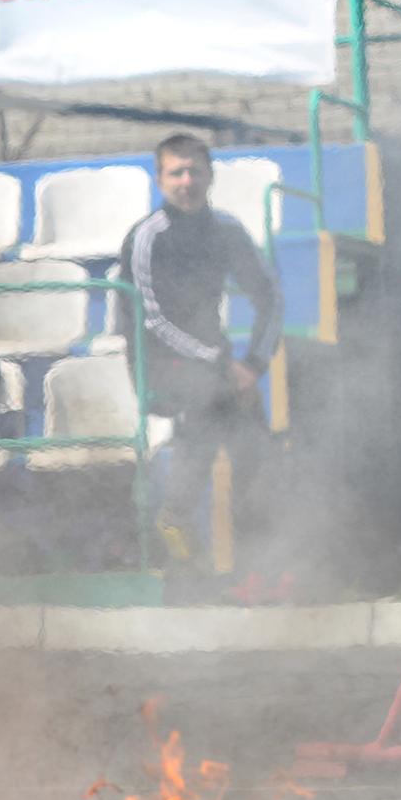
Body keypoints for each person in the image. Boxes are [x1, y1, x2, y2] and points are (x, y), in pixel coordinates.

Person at [117, 133, 283, 567]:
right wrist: (223, 364)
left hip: (220, 365)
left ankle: (255, 562)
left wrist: (254, 364)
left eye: (195, 171)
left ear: (210, 176)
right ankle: (177, 532)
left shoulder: (226, 229)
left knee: (255, 445)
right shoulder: (146, 236)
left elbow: (270, 297)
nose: (186, 181)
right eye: (177, 172)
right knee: (211, 398)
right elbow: (151, 320)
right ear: (160, 180)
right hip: (157, 361)